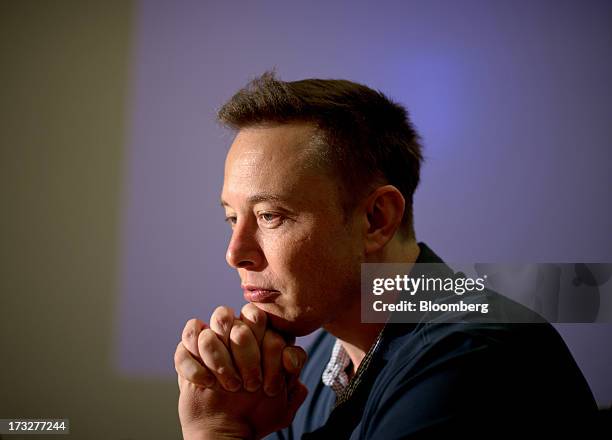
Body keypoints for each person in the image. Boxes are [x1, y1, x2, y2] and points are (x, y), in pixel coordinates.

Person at [173, 72, 599, 439]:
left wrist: (217, 432)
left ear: (376, 219)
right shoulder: (322, 354)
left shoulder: (471, 361)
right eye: (232, 218)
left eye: (270, 216)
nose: (235, 254)